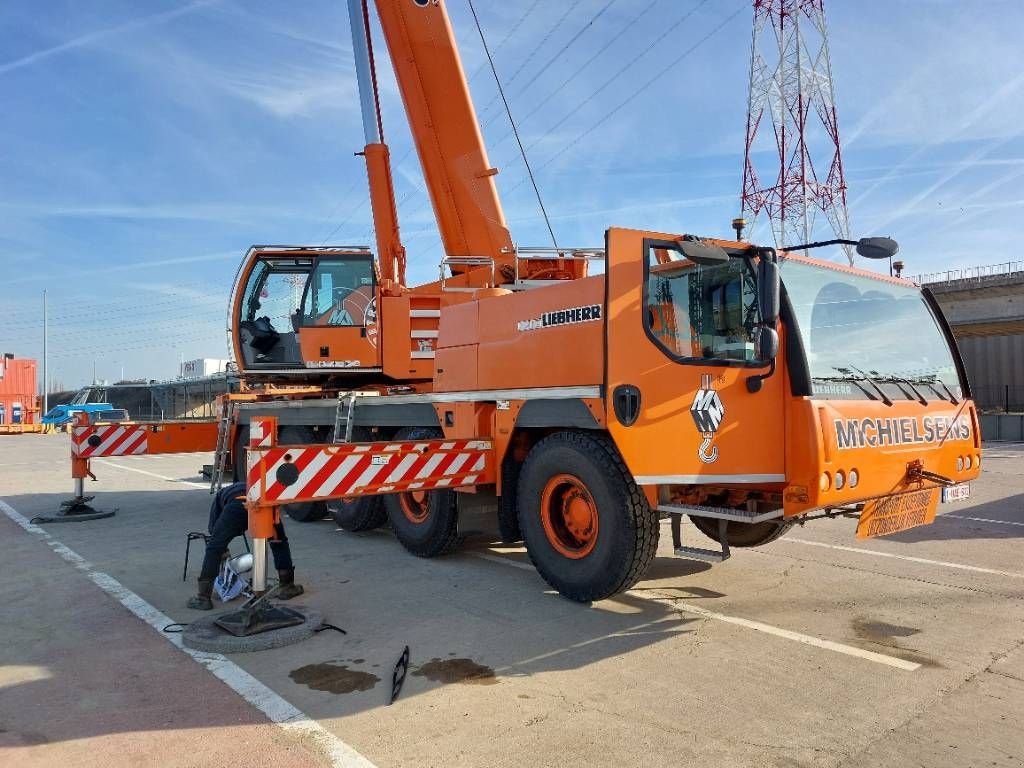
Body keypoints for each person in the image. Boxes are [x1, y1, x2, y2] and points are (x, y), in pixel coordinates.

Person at [187, 481, 304, 610]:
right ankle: (287, 586)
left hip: (238, 506)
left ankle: (203, 598)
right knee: (278, 542)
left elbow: (213, 531)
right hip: (263, 506)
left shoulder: (220, 496)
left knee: (214, 548)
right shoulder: (251, 485)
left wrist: (223, 550)